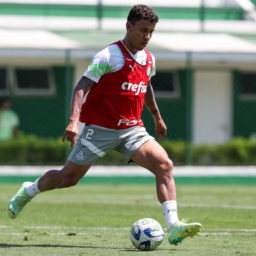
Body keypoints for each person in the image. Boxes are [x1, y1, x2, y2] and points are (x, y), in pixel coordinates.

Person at [8, 5, 202, 246]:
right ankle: (29, 190)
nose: (147, 37)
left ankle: (174, 226)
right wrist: (73, 121)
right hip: (99, 130)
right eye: (143, 30)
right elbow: (81, 87)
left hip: (132, 129)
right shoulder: (109, 56)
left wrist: (157, 116)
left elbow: (146, 86)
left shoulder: (149, 59)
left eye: (151, 32)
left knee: (164, 164)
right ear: (128, 26)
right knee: (67, 178)